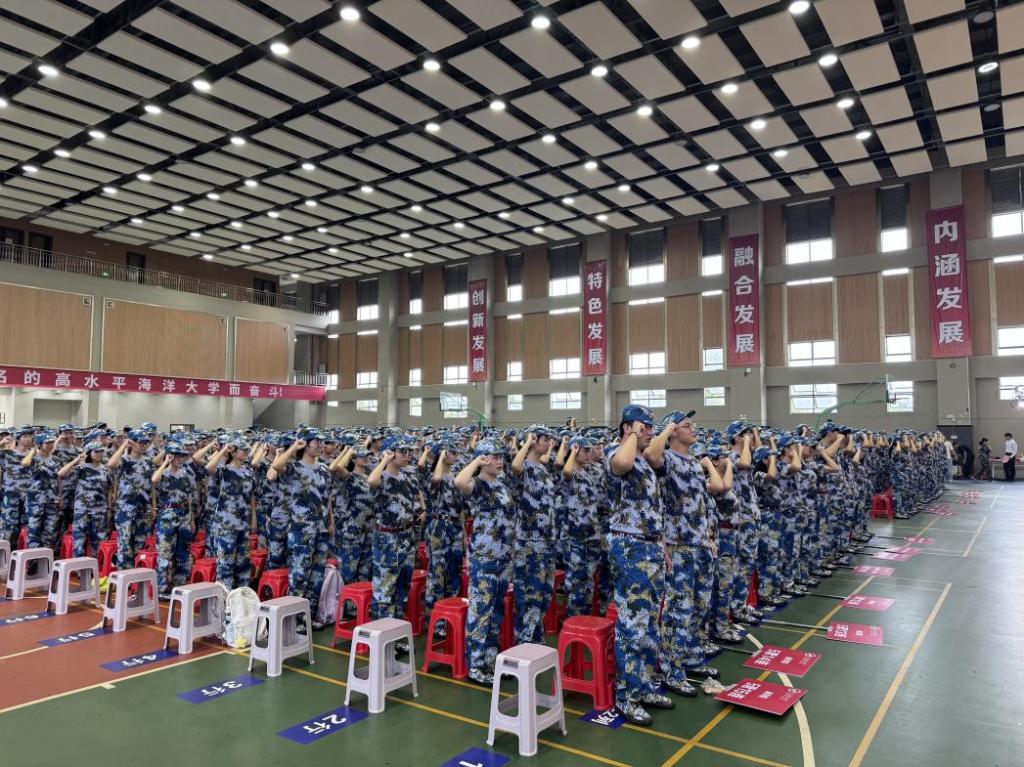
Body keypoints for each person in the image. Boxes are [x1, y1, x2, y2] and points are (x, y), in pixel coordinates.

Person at [606, 404, 675, 726]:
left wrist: (663, 548)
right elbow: (621, 464)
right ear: (628, 427)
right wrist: (632, 435)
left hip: (651, 546)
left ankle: (645, 686)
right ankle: (627, 696)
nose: (649, 432)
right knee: (632, 624)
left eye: (650, 427)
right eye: (644, 427)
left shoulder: (646, 463)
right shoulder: (618, 453)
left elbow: (653, 511)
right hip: (629, 547)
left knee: (649, 623)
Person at [455, 440, 515, 684]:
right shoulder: (478, 484)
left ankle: (491, 659)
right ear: (483, 459)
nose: (500, 461)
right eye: (494, 456)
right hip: (484, 557)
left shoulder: (501, 484)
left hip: (503, 557)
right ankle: (476, 666)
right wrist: (476, 461)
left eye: (501, 456)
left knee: (496, 611)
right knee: (481, 612)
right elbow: (459, 482)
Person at [367, 434, 420, 625]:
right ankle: (382, 630)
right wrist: (384, 460)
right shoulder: (381, 477)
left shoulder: (407, 477)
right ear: (390, 453)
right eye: (402, 451)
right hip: (387, 538)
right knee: (384, 589)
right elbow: (371, 481)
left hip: (407, 536)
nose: (408, 455)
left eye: (409, 451)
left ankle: (395, 629)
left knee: (402, 586)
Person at [108, 431, 155, 569]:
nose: (143, 445)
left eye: (146, 443)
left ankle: (135, 575)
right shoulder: (125, 460)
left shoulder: (148, 461)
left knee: (140, 543)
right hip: (126, 508)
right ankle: (123, 575)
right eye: (140, 443)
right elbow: (111, 464)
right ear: (132, 443)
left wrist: (153, 506)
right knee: (125, 542)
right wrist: (124, 445)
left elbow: (152, 485)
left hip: (144, 509)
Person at [59, 441, 111, 557]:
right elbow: (61, 474)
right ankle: (78, 566)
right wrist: (77, 460)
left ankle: (94, 566)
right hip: (82, 511)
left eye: (101, 451)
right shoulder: (82, 468)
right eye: (96, 452)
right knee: (79, 543)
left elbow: (109, 490)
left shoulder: (105, 469)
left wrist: (109, 508)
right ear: (89, 453)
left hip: (100, 511)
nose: (99, 454)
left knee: (98, 543)